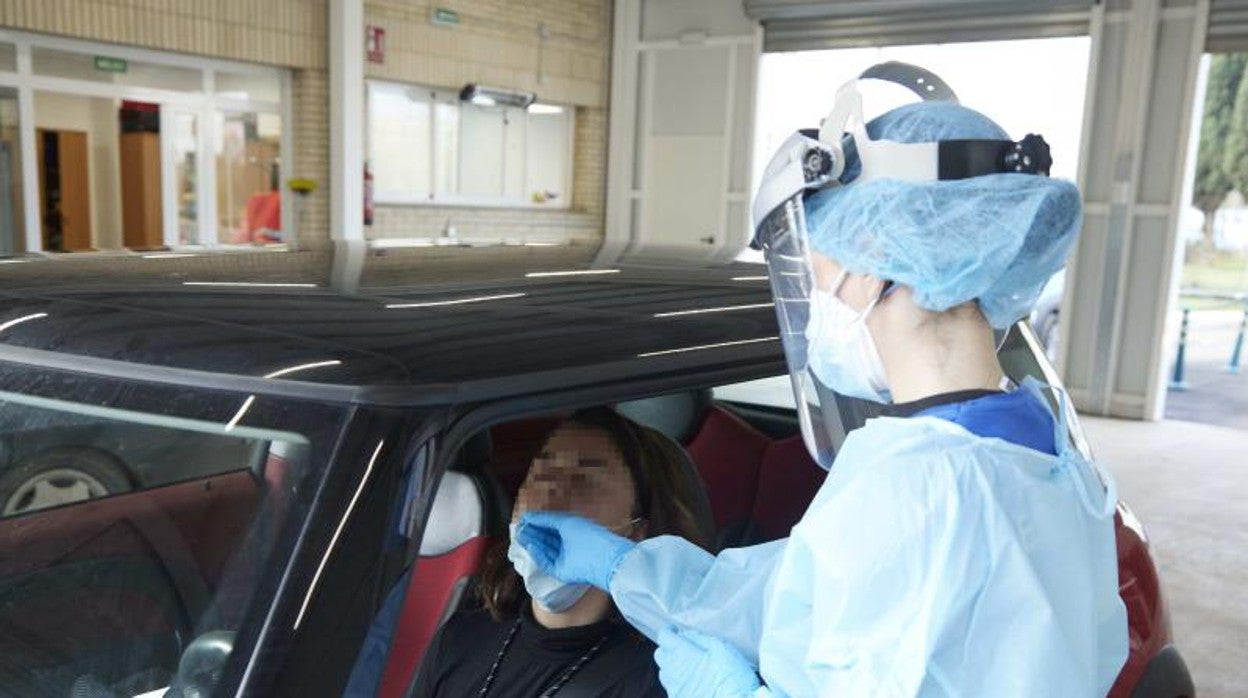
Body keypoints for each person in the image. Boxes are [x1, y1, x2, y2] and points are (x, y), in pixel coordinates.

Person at [516, 63, 1129, 696]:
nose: (810, 299)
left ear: (873, 259)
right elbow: (801, 594)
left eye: (814, 268)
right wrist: (621, 567)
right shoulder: (1038, 449)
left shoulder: (920, 483)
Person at [410, 407, 711, 698]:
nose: (549, 494)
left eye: (583, 480)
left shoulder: (660, 678)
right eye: (541, 473)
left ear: (635, 531)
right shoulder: (462, 637)